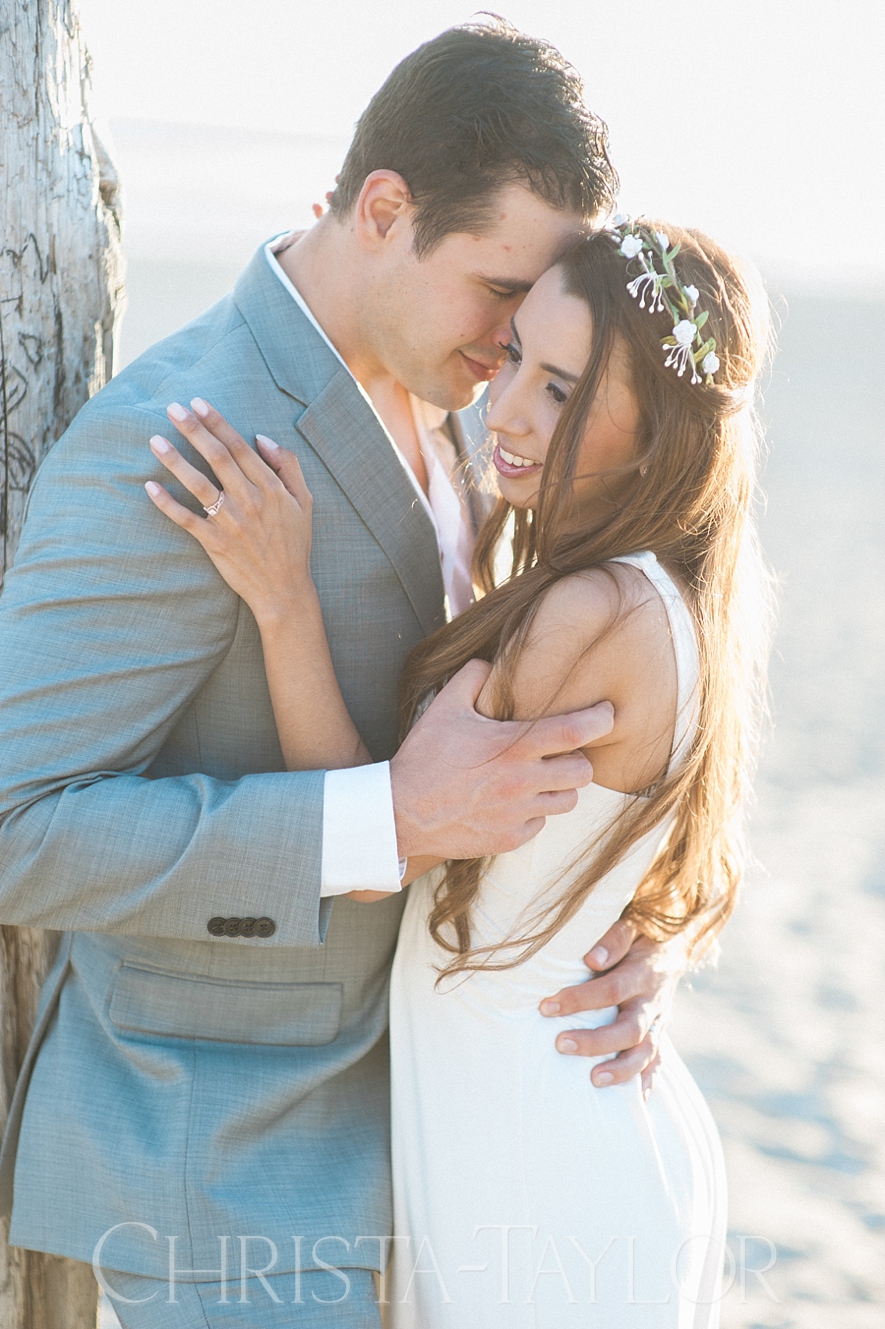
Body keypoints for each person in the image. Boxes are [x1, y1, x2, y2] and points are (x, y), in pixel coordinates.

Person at [0, 21, 690, 1326]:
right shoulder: (179, 445)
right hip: (229, 1167)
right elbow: (12, 827)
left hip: (430, 1146)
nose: (513, 347)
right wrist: (385, 819)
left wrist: (597, 937)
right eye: (499, 292)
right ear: (386, 209)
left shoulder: (453, 406)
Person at [147, 216, 771, 1326]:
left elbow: (390, 841)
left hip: (537, 1139)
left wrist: (283, 598)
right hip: (534, 1101)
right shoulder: (657, 593)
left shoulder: (592, 610)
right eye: (516, 355)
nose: (508, 409)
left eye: (562, 387)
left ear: (659, 431)